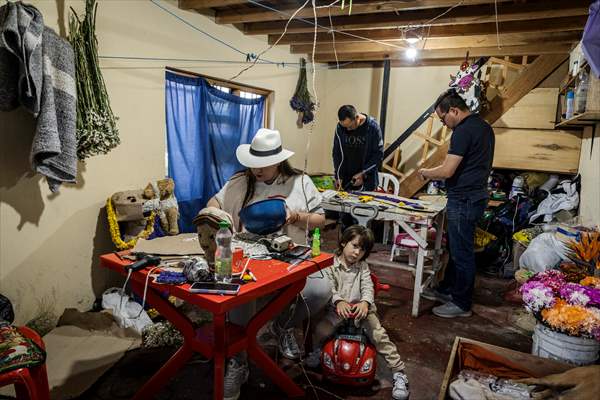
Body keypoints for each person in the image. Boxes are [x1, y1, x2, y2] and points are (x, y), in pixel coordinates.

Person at [206, 128, 329, 400]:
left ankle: (281, 325)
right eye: (253, 164)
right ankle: (239, 361)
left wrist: (296, 216)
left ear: (278, 160)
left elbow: (321, 219)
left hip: (290, 259)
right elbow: (215, 200)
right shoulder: (240, 181)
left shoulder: (300, 182)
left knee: (321, 291)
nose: (256, 170)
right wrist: (216, 211)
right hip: (249, 260)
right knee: (237, 297)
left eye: (262, 165)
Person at [306, 225, 409, 400]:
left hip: (362, 311)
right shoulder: (330, 263)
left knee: (379, 336)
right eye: (354, 246)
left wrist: (365, 302)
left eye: (362, 249)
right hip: (338, 309)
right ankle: (318, 351)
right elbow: (329, 285)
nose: (357, 252)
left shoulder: (362, 266)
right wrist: (338, 300)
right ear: (343, 242)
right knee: (321, 330)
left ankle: (399, 372)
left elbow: (368, 285)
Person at [418, 89, 495, 318]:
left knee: (462, 253)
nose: (445, 124)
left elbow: (448, 170)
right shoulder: (483, 127)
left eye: (444, 119)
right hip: (474, 196)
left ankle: (461, 303)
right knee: (456, 248)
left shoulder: (462, 131)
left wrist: (425, 172)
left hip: (464, 199)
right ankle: (448, 289)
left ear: (454, 110)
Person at [333, 105, 384, 192]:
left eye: (350, 126)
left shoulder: (373, 128)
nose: (348, 130)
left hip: (367, 182)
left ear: (357, 118)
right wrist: (339, 176)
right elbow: (337, 153)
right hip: (346, 182)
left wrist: (363, 173)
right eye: (345, 127)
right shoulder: (340, 128)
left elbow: (378, 155)